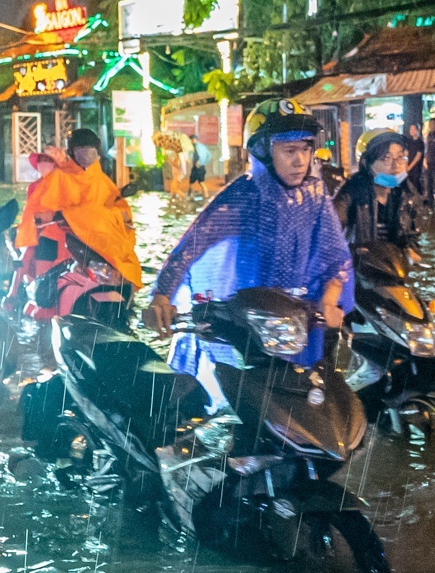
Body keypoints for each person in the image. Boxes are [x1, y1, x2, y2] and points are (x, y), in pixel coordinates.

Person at [142, 99, 352, 377]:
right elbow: (191, 248)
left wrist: (329, 299)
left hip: (301, 328)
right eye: (289, 150)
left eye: (305, 148)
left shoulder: (315, 195)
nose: (300, 160)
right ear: (264, 151)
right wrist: (161, 296)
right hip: (250, 330)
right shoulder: (242, 197)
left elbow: (335, 257)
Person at [13, 142, 144, 320]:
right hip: (51, 237)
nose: (46, 165)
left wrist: (117, 217)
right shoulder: (49, 182)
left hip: (83, 240)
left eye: (49, 161)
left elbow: (107, 210)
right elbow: (34, 215)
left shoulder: (94, 181)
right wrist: (51, 218)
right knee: (32, 265)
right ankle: (12, 295)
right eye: (43, 161)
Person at [336, 129, 426, 248]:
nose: (396, 165)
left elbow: (412, 236)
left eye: (400, 157)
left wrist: (410, 252)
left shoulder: (407, 193)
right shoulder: (352, 191)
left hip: (393, 264)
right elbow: (331, 229)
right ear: (366, 163)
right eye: (386, 159)